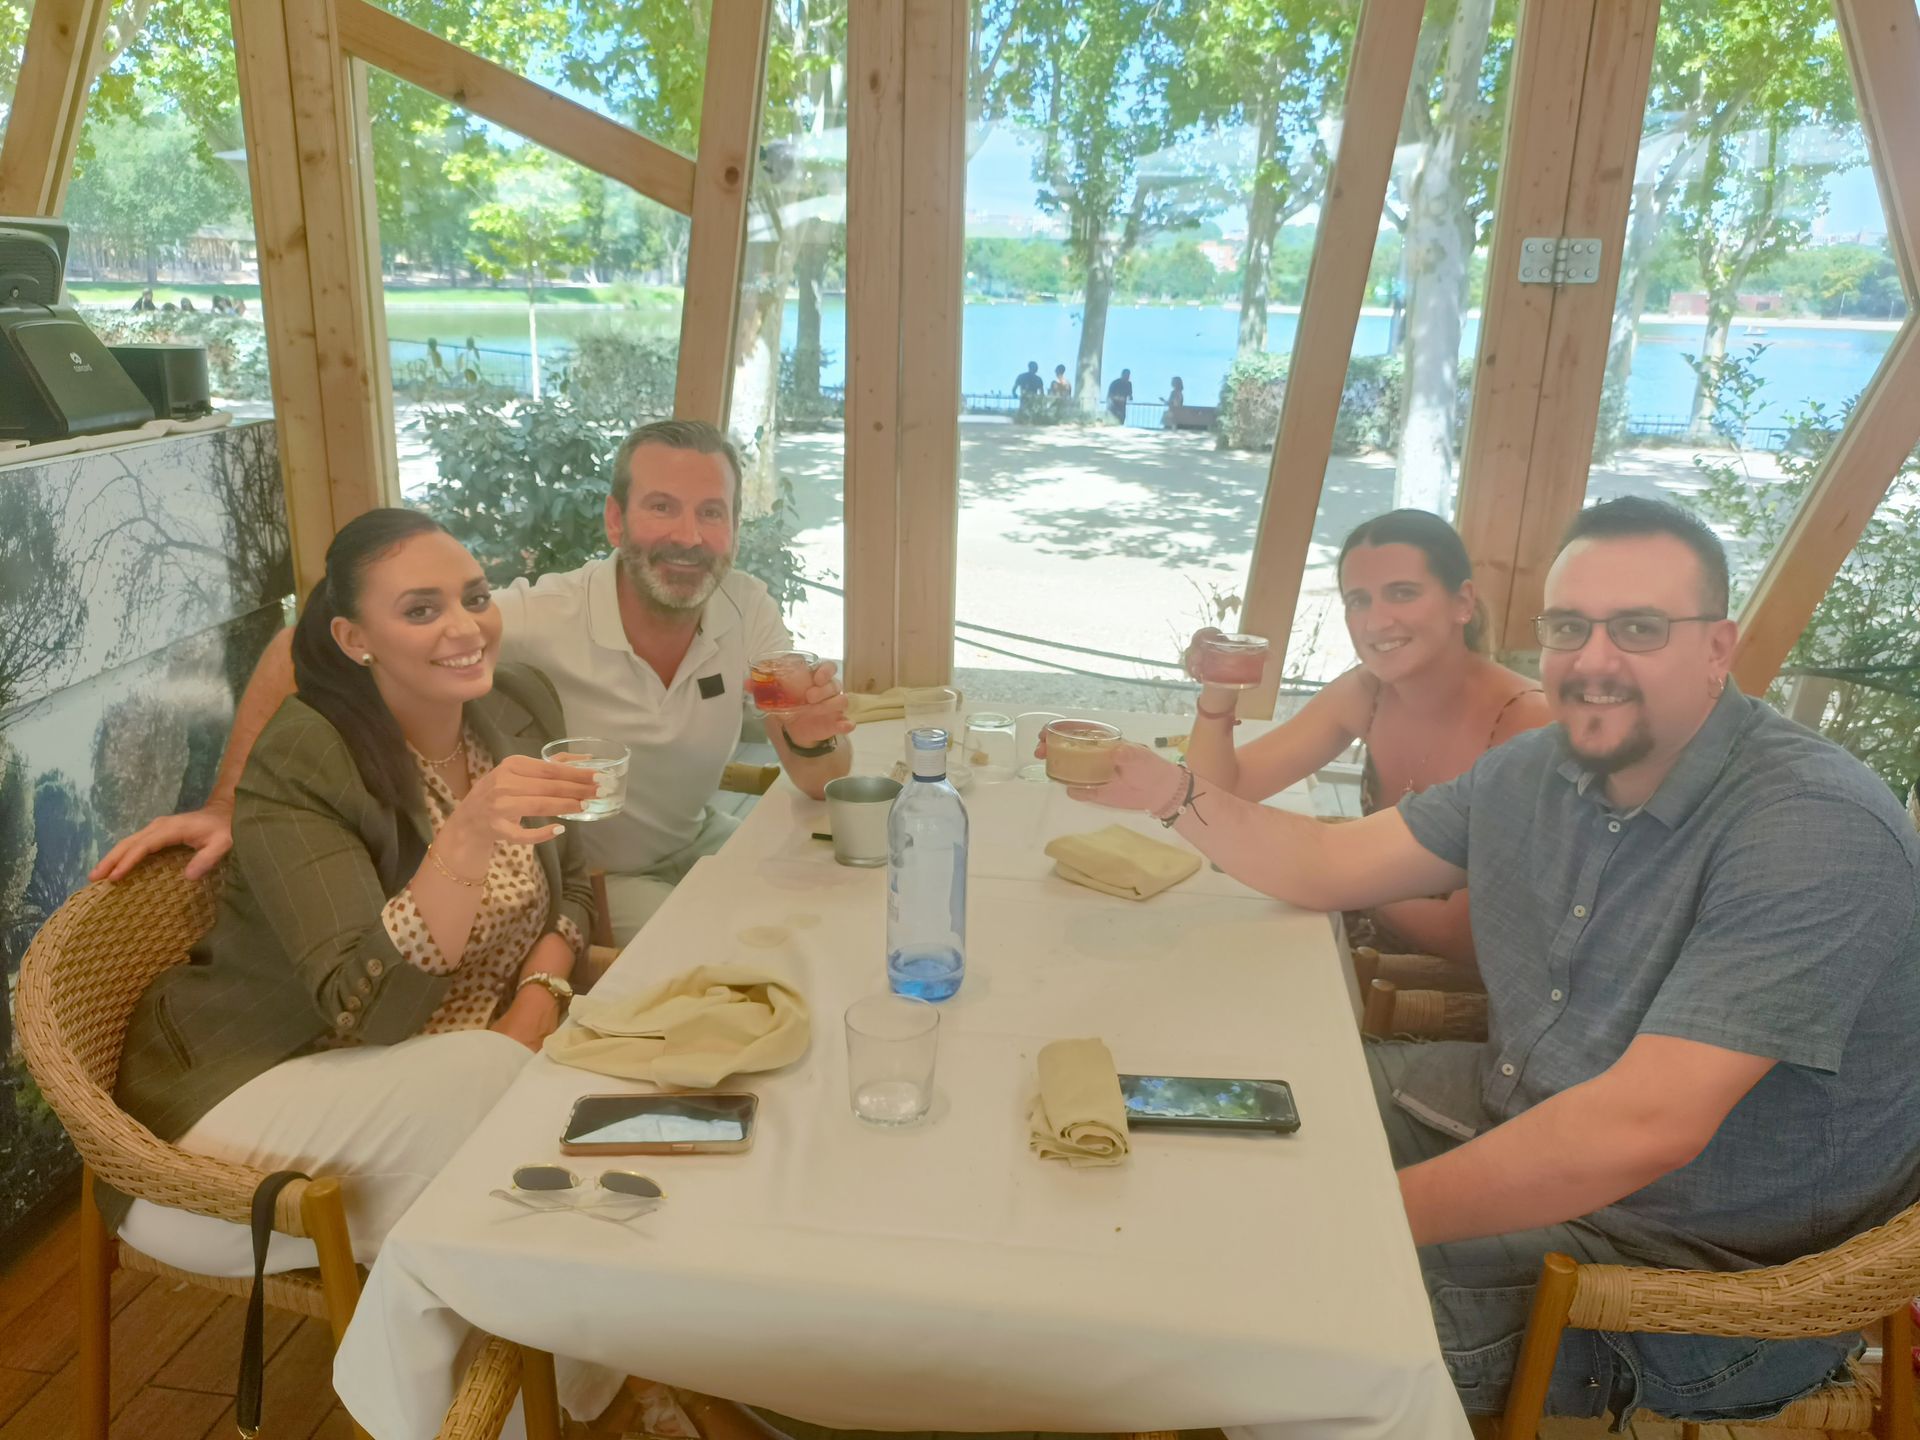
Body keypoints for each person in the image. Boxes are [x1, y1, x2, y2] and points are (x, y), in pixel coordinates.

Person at [1074, 497, 1920, 1422]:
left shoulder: (1810, 830)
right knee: (1201, 1115)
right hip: (1518, 1108)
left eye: (1638, 628)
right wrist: (1167, 790)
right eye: (1569, 628)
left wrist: (1347, 1212)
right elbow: (1324, 862)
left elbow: (1642, 1127)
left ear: (1718, 648)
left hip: (1686, 1272)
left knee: (1259, 1302)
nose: (1594, 662)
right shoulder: (1536, 768)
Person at [95, 420, 854, 945]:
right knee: (732, 958)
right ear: (616, 523)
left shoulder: (743, 604)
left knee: (834, 908)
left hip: (698, 839)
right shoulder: (539, 617)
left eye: (711, 513)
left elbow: (815, 776)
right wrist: (229, 801)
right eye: (663, 507)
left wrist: (815, 742)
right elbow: (295, 645)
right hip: (593, 879)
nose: (689, 537)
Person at [106, 508, 600, 1274]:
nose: (467, 628)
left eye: (475, 596)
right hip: (250, 1090)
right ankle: (553, 1388)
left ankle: (529, 1381)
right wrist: (464, 838)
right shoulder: (307, 756)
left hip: (465, 1062)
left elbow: (574, 883)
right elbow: (363, 1009)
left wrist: (536, 1002)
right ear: (353, 639)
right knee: (515, 1148)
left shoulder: (518, 704)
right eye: (420, 610)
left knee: (569, 1129)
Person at [1184, 510, 1546, 962]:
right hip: (1361, 947)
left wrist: (1335, 877)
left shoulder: (1526, 725)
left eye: (1402, 593)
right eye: (1359, 600)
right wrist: (1219, 689)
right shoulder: (1369, 691)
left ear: (1463, 603)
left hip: (1446, 996)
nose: (1375, 623)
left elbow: (1465, 934)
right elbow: (1212, 796)